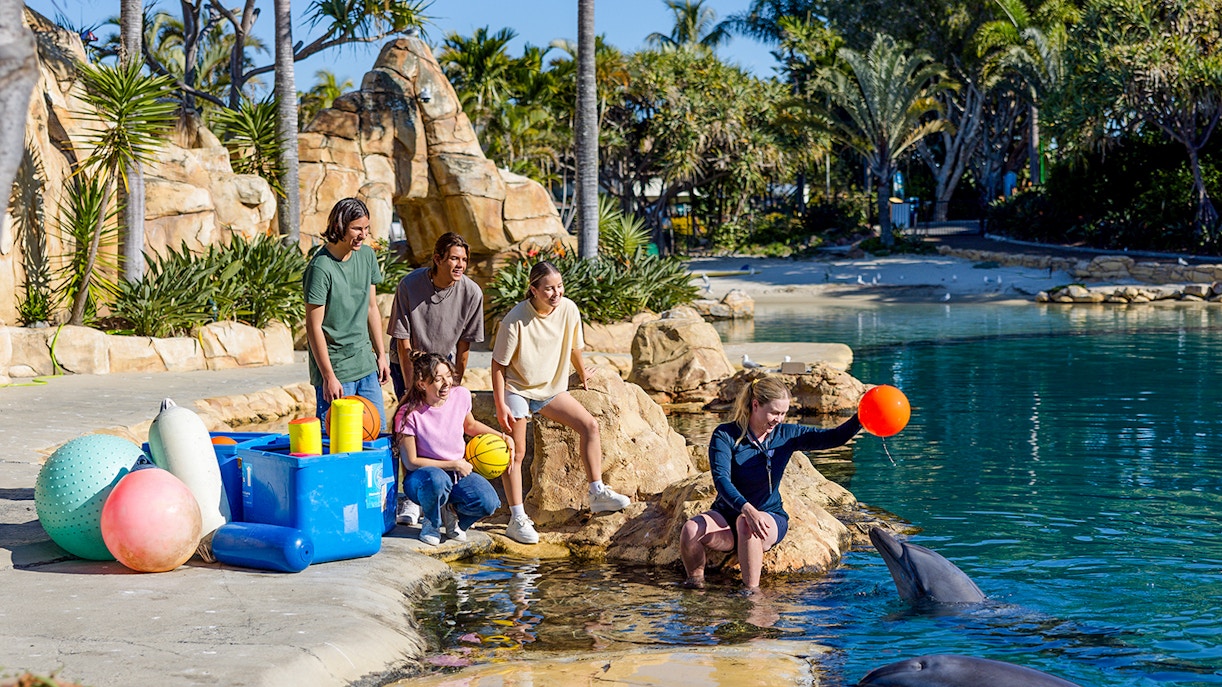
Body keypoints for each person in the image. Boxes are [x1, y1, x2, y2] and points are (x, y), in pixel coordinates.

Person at [492, 261, 632, 545]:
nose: (556, 293)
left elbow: (573, 346)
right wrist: (500, 404)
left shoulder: (568, 308)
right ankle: (517, 518)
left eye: (559, 287)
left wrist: (582, 373)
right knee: (515, 453)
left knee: (590, 425)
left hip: (551, 390)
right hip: (518, 390)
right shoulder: (516, 319)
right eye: (548, 289)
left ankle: (597, 493)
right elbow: (497, 365)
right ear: (533, 290)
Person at [679, 375, 861, 594]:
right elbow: (721, 479)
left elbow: (833, 438)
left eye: (784, 413)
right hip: (727, 517)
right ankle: (695, 587)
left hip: (769, 517)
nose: (779, 419)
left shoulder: (787, 435)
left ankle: (752, 596)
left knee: (746, 524)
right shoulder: (726, 435)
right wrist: (746, 507)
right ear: (755, 405)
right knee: (691, 530)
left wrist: (861, 418)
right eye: (775, 412)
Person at [386, 232, 485, 527]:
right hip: (410, 365)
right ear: (438, 259)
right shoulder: (410, 285)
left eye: (464, 259)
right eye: (454, 258)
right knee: (408, 428)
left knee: (441, 429)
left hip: (444, 370)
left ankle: (445, 496)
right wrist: (410, 390)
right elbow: (403, 343)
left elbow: (465, 345)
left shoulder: (471, 293)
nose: (460, 265)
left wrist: (454, 384)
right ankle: (407, 496)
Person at [394, 351, 503, 546]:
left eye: (448, 376)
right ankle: (432, 522)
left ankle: (452, 516)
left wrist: (503, 437)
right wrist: (453, 464)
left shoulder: (460, 395)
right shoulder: (408, 414)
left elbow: (470, 426)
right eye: (438, 379)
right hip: (422, 478)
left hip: (455, 475)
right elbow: (411, 461)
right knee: (437, 480)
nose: (446, 383)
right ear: (422, 384)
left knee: (489, 502)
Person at [303, 197, 390, 428]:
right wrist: (328, 377)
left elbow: (372, 307)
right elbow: (313, 328)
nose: (363, 235)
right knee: (337, 443)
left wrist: (381, 355)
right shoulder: (320, 268)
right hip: (336, 370)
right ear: (339, 227)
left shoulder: (367, 256)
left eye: (366, 229)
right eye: (357, 229)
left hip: (365, 364)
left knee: (378, 435)